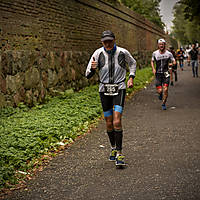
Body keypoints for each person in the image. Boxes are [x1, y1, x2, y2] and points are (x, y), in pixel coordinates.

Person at [85, 30, 136, 166]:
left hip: (119, 88)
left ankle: (119, 153)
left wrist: (131, 77)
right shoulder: (97, 54)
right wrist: (93, 69)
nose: (107, 43)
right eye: (105, 41)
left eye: (110, 41)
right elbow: (87, 75)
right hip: (104, 90)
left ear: (114, 40)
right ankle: (113, 147)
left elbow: (132, 63)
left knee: (117, 121)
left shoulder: (122, 52)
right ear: (102, 42)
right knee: (108, 122)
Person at [151, 39, 176, 110]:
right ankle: (160, 94)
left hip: (166, 74)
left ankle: (163, 104)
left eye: (162, 44)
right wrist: (153, 69)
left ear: (165, 45)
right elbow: (152, 61)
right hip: (158, 74)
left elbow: (174, 61)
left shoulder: (169, 53)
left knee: (165, 90)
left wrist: (172, 63)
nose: (161, 45)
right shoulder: (155, 53)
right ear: (158, 45)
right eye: (160, 44)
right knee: (160, 91)